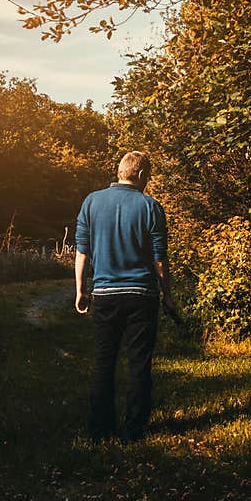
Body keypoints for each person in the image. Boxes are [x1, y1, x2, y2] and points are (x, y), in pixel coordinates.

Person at [74, 151, 176, 443]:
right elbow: (160, 260)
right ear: (142, 176)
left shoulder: (91, 202)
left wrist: (81, 290)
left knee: (104, 361)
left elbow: (82, 252)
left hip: (105, 294)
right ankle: (133, 431)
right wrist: (167, 295)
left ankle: (99, 429)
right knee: (138, 364)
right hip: (141, 295)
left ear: (119, 172)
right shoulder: (151, 207)